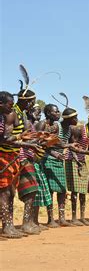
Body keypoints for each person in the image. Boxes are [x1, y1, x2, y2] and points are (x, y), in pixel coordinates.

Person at [0, 91, 41, 238]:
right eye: (9, 104)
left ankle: (8, 225)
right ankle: (7, 226)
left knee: (10, 191)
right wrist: (25, 141)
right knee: (5, 191)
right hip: (4, 155)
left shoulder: (15, 114)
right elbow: (5, 138)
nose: (33, 104)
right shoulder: (9, 114)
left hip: (13, 155)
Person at [66, 109, 89, 225]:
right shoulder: (79, 129)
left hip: (82, 160)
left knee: (82, 190)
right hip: (72, 159)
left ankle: (82, 217)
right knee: (75, 190)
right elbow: (72, 147)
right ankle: (74, 217)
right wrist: (77, 160)